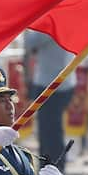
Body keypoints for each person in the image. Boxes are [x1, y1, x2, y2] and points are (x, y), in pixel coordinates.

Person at [22, 30, 76, 162]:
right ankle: (53, 163)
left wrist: (28, 26)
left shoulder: (52, 24)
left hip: (50, 83)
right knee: (53, 128)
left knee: (48, 130)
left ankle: (51, 163)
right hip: (64, 81)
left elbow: (29, 42)